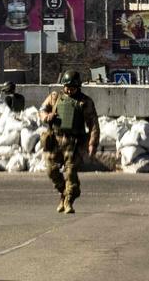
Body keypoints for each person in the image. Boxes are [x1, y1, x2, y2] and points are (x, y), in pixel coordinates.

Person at [39, 70, 100, 214]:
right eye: (66, 87)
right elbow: (42, 110)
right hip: (55, 140)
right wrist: (47, 116)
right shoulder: (55, 97)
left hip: (73, 142)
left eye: (72, 87)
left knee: (70, 172)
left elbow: (93, 124)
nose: (69, 90)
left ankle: (68, 201)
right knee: (51, 170)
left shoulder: (85, 102)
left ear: (78, 87)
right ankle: (64, 193)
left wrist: (92, 144)